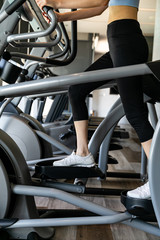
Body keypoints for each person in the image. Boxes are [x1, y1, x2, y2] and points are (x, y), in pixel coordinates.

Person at [35, 0, 160, 199]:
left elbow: (100, 1)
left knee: (135, 114)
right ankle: (83, 153)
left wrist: (56, 2)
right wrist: (60, 17)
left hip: (125, 38)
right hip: (119, 39)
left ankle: (158, 181)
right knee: (76, 91)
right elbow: (101, 8)